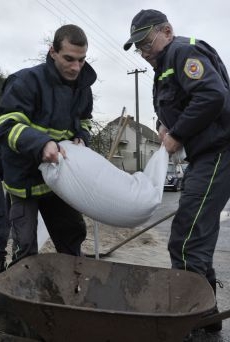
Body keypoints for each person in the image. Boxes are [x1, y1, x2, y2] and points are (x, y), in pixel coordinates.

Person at [124, 9, 230, 334]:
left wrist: (178, 135)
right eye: (138, 46)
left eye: (146, 42)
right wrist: (161, 125)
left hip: (218, 152)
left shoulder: (183, 52)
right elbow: (176, 105)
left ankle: (190, 323)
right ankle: (207, 317)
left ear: (166, 31)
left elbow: (213, 95)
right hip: (205, 156)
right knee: (194, 238)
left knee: (185, 240)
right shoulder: (164, 68)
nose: (143, 51)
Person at [0, 24, 97, 265]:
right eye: (69, 59)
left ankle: (72, 291)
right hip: (24, 183)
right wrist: (42, 144)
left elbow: (85, 121)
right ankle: (21, 298)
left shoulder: (83, 89)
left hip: (59, 181)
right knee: (25, 250)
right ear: (52, 51)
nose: (76, 67)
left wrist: (82, 137)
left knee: (72, 239)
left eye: (82, 60)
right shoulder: (25, 81)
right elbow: (7, 125)